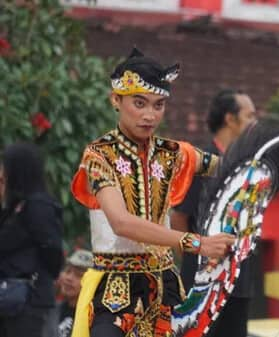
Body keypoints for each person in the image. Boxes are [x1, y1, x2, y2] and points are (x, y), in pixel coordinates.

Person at [70, 48, 236, 337]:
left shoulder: (173, 154)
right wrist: (198, 244)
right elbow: (122, 223)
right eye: (140, 103)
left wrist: (267, 165)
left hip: (165, 290)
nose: (150, 115)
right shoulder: (99, 156)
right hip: (116, 291)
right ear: (116, 100)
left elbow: (229, 167)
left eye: (158, 105)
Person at [171, 88, 257, 337]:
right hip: (201, 283)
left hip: (238, 282)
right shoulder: (202, 163)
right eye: (250, 116)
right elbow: (179, 218)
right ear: (230, 119)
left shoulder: (248, 166)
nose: (255, 123)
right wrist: (192, 261)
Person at [0, 142, 64, 337]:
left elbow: (51, 249)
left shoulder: (38, 206)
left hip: (29, 301)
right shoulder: (15, 206)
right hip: (9, 299)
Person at [54, 249, 94, 337]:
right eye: (68, 271)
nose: (69, 278)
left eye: (78, 275)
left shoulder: (95, 319)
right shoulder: (52, 311)